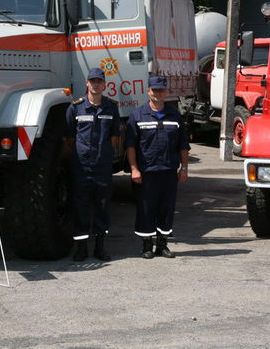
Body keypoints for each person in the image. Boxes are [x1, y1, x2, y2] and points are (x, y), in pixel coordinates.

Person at [125, 75, 190, 259]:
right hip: (147, 171)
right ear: (148, 91)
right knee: (146, 208)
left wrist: (184, 168)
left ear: (166, 92)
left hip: (169, 171)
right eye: (154, 90)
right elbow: (131, 145)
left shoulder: (175, 116)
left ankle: (162, 244)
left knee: (166, 208)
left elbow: (183, 145)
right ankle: (146, 245)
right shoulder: (137, 115)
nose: (158, 93)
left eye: (161, 90)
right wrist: (134, 169)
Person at [64, 67, 121, 262]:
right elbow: (70, 137)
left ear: (104, 84)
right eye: (92, 81)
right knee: (80, 206)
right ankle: (81, 248)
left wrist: (102, 156)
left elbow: (114, 137)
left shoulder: (111, 108)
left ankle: (100, 247)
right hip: (82, 167)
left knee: (102, 206)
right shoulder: (75, 108)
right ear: (87, 83)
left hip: (103, 166)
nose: (96, 84)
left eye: (99, 81)